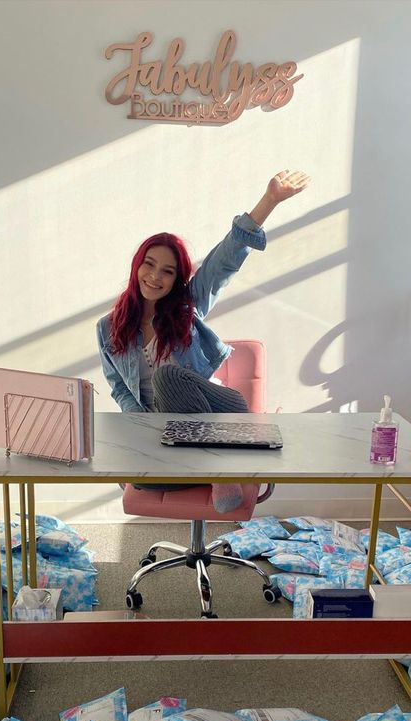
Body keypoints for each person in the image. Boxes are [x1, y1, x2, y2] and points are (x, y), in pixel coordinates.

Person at [97, 169, 310, 512]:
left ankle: (215, 467)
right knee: (138, 477)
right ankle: (219, 466)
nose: (155, 276)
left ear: (177, 279)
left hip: (220, 413)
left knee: (167, 376)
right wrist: (145, 426)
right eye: (149, 265)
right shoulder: (108, 328)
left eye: (167, 271)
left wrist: (268, 201)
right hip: (167, 429)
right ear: (137, 266)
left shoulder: (187, 304)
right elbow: (120, 388)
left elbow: (225, 258)